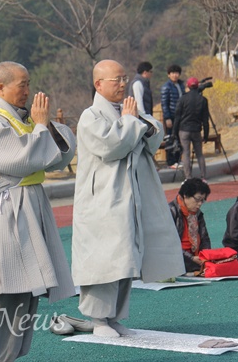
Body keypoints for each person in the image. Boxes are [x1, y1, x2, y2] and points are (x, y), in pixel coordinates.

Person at [0, 61, 76, 361]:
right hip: (5, 212)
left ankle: (11, 356)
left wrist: (44, 126)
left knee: (27, 290)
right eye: (22, 84)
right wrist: (41, 126)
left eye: (29, 83)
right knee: (2, 290)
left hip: (27, 207)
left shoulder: (20, 119)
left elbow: (55, 157)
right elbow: (22, 160)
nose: (27, 90)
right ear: (0, 88)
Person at [72, 59, 184, 338]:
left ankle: (116, 316)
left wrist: (138, 123)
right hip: (103, 201)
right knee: (104, 260)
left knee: (125, 258)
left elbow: (153, 133)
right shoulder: (90, 116)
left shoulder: (126, 111)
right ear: (99, 84)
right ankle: (98, 319)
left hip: (128, 198)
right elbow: (112, 146)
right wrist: (133, 122)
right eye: (116, 80)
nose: (123, 84)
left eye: (124, 79)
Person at [168, 178, 212, 273]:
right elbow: (168, 245)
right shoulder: (170, 212)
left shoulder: (198, 214)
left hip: (196, 258)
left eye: (202, 201)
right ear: (185, 195)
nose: (200, 204)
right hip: (177, 258)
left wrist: (205, 256)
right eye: (197, 199)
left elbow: (205, 239)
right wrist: (191, 258)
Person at [173, 77, 210, 180]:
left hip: (184, 130)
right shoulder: (203, 100)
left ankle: (188, 177)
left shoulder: (183, 99)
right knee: (199, 154)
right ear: (198, 86)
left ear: (188, 86)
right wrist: (206, 134)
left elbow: (177, 117)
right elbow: (205, 120)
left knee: (186, 154)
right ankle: (203, 177)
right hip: (196, 130)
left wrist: (174, 133)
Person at [161, 64, 185, 168]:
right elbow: (164, 104)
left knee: (180, 139)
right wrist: (167, 118)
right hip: (171, 116)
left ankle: (178, 159)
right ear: (168, 75)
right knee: (170, 139)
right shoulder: (166, 87)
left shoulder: (181, 85)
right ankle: (171, 162)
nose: (175, 75)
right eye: (172, 73)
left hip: (181, 116)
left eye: (176, 73)